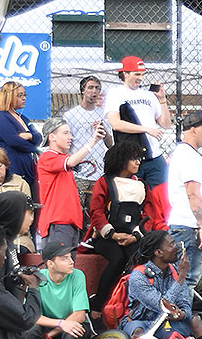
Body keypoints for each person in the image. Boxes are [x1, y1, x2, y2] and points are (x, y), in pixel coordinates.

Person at [104, 56, 172, 229]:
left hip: (154, 156)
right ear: (125, 73)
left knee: (161, 197)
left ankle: (160, 232)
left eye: (142, 74)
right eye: (136, 74)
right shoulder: (116, 93)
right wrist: (146, 129)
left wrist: (162, 100)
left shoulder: (148, 95)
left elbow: (165, 123)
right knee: (130, 198)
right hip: (131, 156)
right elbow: (116, 123)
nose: (140, 78)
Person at [86, 142, 150, 315]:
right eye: (133, 158)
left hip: (133, 236)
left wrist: (135, 236)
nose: (138, 162)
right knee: (117, 258)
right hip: (106, 238)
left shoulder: (141, 185)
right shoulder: (104, 182)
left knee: (139, 259)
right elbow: (96, 212)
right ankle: (97, 306)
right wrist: (113, 234)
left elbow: (147, 214)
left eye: (139, 159)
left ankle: (135, 306)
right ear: (121, 160)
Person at [21, 240, 90, 339]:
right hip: (50, 325)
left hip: (71, 325)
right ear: (50, 263)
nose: (71, 261)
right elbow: (32, 316)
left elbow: (79, 315)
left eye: (71, 257)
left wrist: (53, 333)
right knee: (30, 332)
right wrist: (60, 323)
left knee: (73, 332)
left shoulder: (77, 275)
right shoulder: (36, 279)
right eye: (64, 259)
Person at [36, 117, 106, 250]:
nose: (71, 137)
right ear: (52, 137)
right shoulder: (47, 156)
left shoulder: (61, 158)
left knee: (67, 266)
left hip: (69, 223)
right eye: (66, 133)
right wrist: (93, 141)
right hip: (58, 222)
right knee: (58, 265)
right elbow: (71, 162)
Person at [167, 112, 202, 289]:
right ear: (193, 130)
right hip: (190, 228)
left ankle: (180, 316)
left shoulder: (185, 154)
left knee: (182, 280)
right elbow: (193, 193)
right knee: (185, 281)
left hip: (186, 227)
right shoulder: (188, 156)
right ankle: (180, 317)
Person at [62, 75, 113, 202]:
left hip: (99, 171)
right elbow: (66, 144)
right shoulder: (71, 115)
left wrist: (104, 131)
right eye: (90, 88)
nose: (94, 91)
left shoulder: (104, 114)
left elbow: (110, 144)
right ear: (83, 90)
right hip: (79, 171)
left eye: (97, 88)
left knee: (95, 209)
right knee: (77, 206)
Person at [0, 81, 42, 196]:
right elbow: (14, 141)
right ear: (9, 96)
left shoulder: (24, 118)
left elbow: (39, 137)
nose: (24, 98)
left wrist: (30, 136)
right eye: (20, 95)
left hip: (29, 170)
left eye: (24, 95)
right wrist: (33, 148)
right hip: (12, 169)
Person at [0, 146, 35, 252]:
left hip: (18, 237)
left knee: (9, 251)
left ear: (5, 165)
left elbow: (29, 214)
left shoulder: (21, 184)